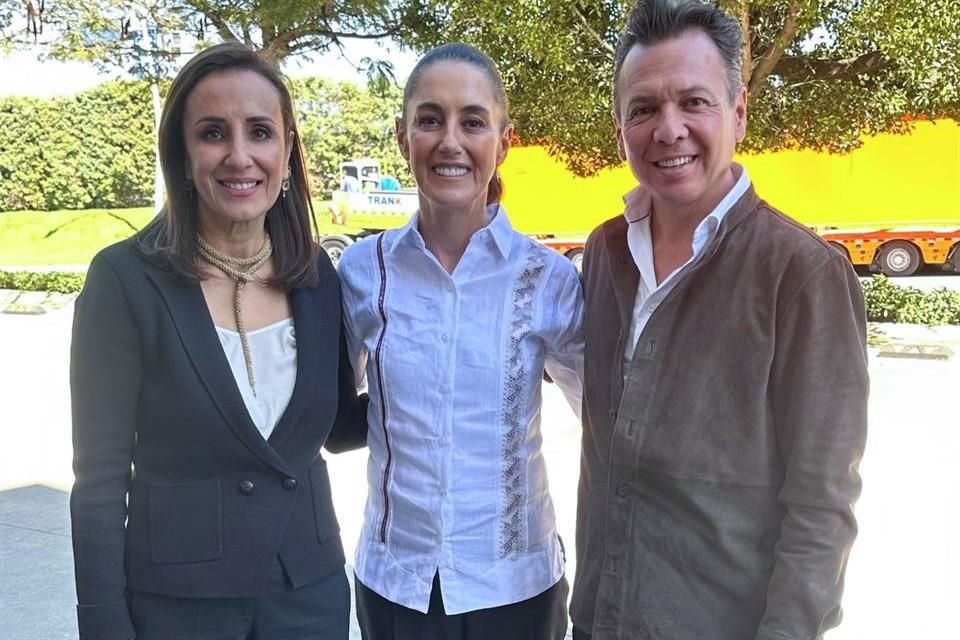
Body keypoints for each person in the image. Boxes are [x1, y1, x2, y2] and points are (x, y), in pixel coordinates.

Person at [570, 1, 869, 639]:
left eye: (694, 102)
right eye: (643, 108)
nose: (668, 128)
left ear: (738, 111)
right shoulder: (604, 253)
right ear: (621, 127)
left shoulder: (803, 275)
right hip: (599, 620)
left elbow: (822, 509)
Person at [70, 42, 366, 640]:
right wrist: (103, 624)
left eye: (260, 132)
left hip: (308, 598)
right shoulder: (124, 282)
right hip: (179, 608)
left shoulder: (316, 276)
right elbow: (100, 481)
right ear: (181, 154)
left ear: (286, 154)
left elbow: (335, 428)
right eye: (212, 133)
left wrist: (435, 371)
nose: (240, 156)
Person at [338, 43, 584, 640]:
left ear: (503, 141)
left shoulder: (547, 278)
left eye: (472, 121)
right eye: (430, 119)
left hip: (516, 589)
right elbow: (329, 411)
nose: (450, 141)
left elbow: (605, 415)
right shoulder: (361, 272)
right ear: (403, 137)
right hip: (397, 584)